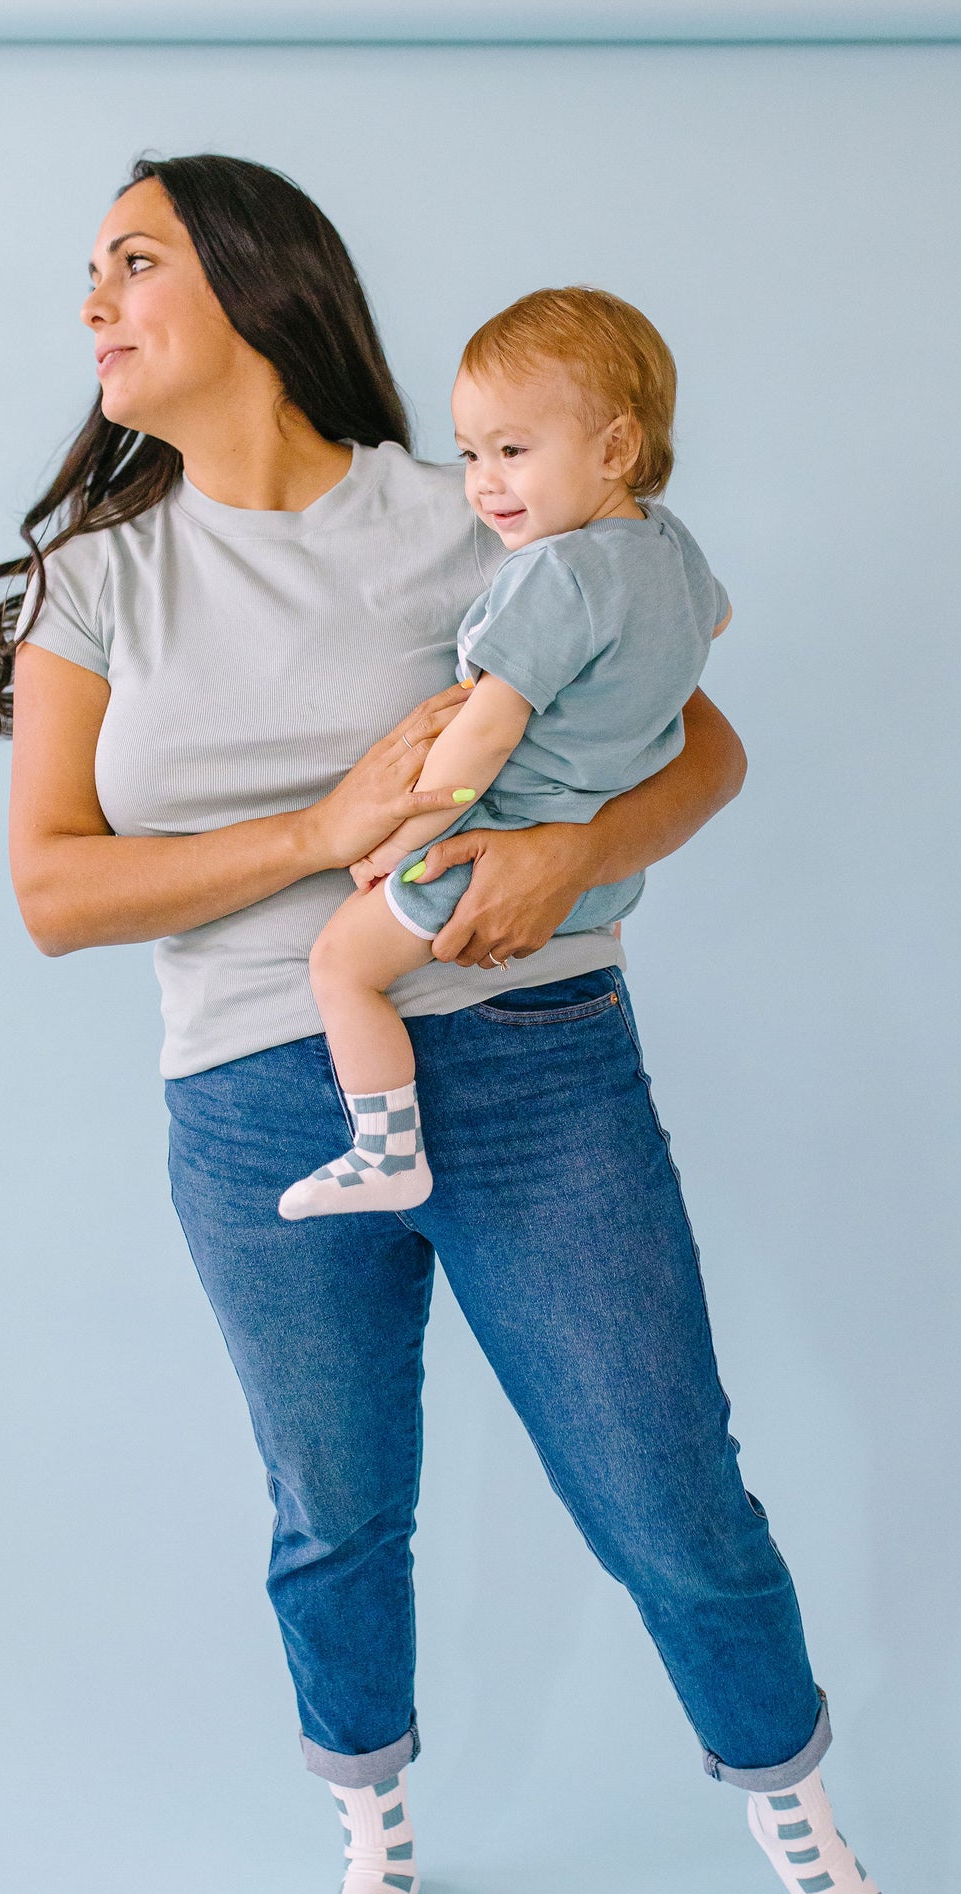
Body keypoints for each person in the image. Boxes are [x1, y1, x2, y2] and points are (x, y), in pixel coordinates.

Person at [0, 151, 934, 1894]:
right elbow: (53, 891)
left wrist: (572, 855)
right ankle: (375, 1840)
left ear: (252, 282)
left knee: (668, 1489)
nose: (91, 302)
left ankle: (805, 1826)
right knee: (333, 1506)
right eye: (88, 270)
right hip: (254, 1098)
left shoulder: (476, 498)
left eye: (131, 260)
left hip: (534, 1059)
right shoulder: (103, 576)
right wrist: (317, 834)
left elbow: (700, 741)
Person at [277, 286, 731, 1224]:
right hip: (592, 886)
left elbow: (480, 740)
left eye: (513, 451)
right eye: (471, 452)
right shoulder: (672, 551)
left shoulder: (553, 576)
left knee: (340, 967)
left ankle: (383, 1149)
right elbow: (714, 621)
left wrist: (392, 842)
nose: (483, 484)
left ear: (616, 448)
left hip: (484, 852)